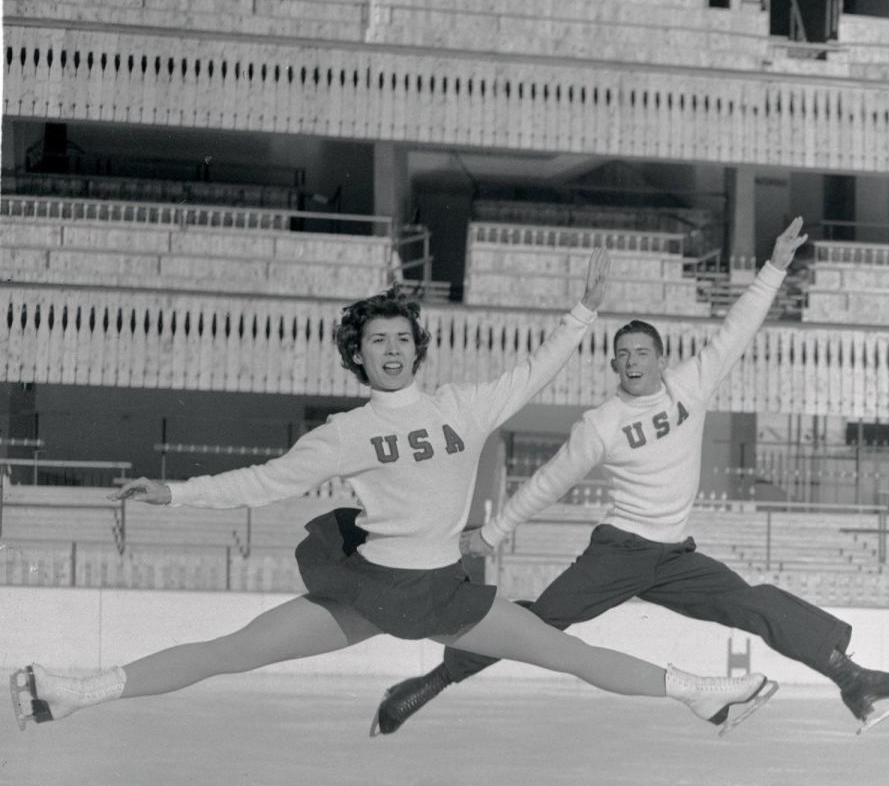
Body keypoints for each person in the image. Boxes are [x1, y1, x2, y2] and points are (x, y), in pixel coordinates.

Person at [10, 251, 776, 737]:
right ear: (358, 355)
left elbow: (534, 374)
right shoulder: (345, 434)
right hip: (375, 587)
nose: (391, 348)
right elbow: (264, 482)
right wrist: (173, 493)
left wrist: (581, 317)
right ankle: (77, 691)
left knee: (568, 655)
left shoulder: (462, 409)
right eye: (376, 341)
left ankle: (698, 694)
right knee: (231, 652)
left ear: (418, 345)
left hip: (440, 594)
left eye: (401, 337)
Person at [374, 218, 889, 737]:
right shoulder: (601, 424)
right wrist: (491, 534)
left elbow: (737, 328)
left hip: (675, 558)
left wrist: (776, 266)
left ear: (663, 359)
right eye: (622, 355)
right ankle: (433, 680)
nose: (632, 361)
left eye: (642, 352)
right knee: (540, 623)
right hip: (619, 552)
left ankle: (853, 681)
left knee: (755, 602)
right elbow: (549, 482)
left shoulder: (692, 385)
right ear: (613, 366)